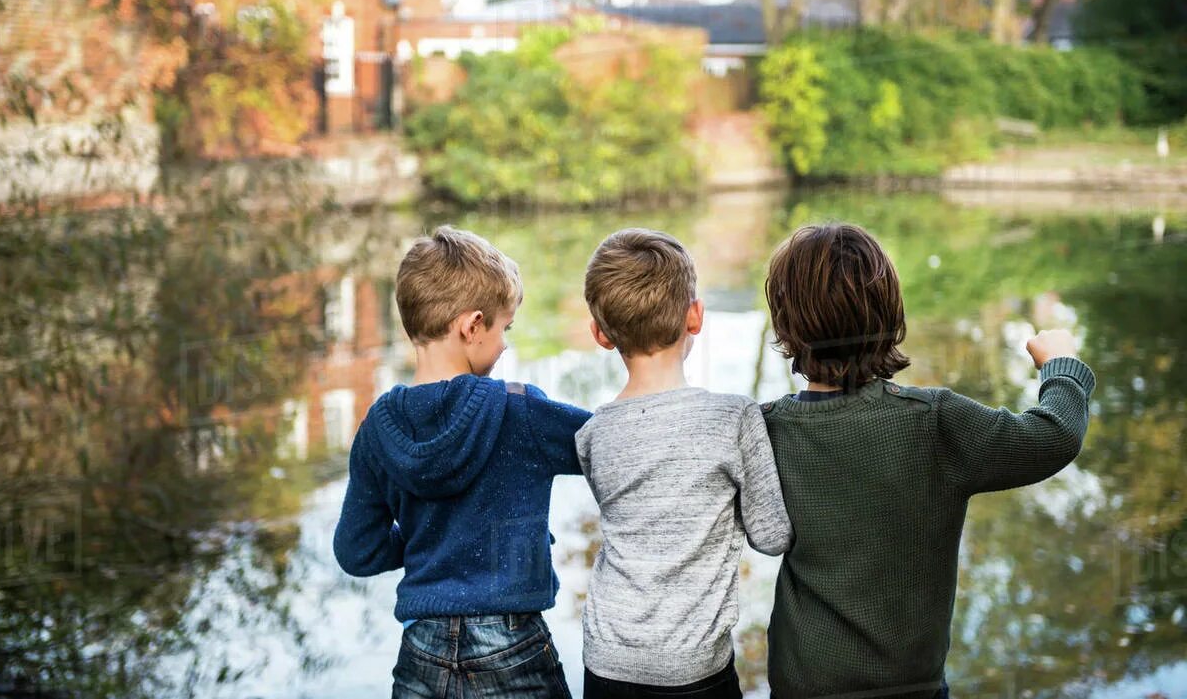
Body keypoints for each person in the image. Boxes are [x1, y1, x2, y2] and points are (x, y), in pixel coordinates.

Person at [760, 222, 1095, 699]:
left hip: (804, 686)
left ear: (785, 325)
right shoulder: (934, 421)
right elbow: (1054, 435)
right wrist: (1061, 365)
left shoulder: (764, 430)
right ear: (889, 312)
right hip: (911, 687)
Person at [332, 225, 590, 699]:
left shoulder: (375, 428)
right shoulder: (521, 411)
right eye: (503, 328)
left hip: (421, 650)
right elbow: (610, 443)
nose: (506, 344)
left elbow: (357, 551)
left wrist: (425, 541)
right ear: (471, 326)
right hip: (511, 644)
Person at [576, 227, 793, 699]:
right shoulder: (733, 418)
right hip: (695, 668)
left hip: (607, 660)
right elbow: (772, 537)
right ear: (695, 316)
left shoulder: (593, 434)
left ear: (599, 333)